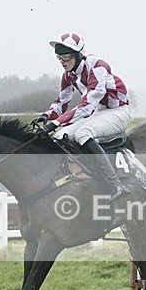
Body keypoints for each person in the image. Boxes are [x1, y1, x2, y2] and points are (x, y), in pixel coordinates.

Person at [32, 32, 131, 201]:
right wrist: (46, 116)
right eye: (59, 58)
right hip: (99, 113)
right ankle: (79, 177)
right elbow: (62, 103)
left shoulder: (98, 66)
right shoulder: (68, 76)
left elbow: (86, 107)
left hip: (117, 112)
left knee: (83, 134)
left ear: (78, 55)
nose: (62, 62)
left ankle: (116, 184)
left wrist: (55, 122)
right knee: (58, 136)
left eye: (66, 57)